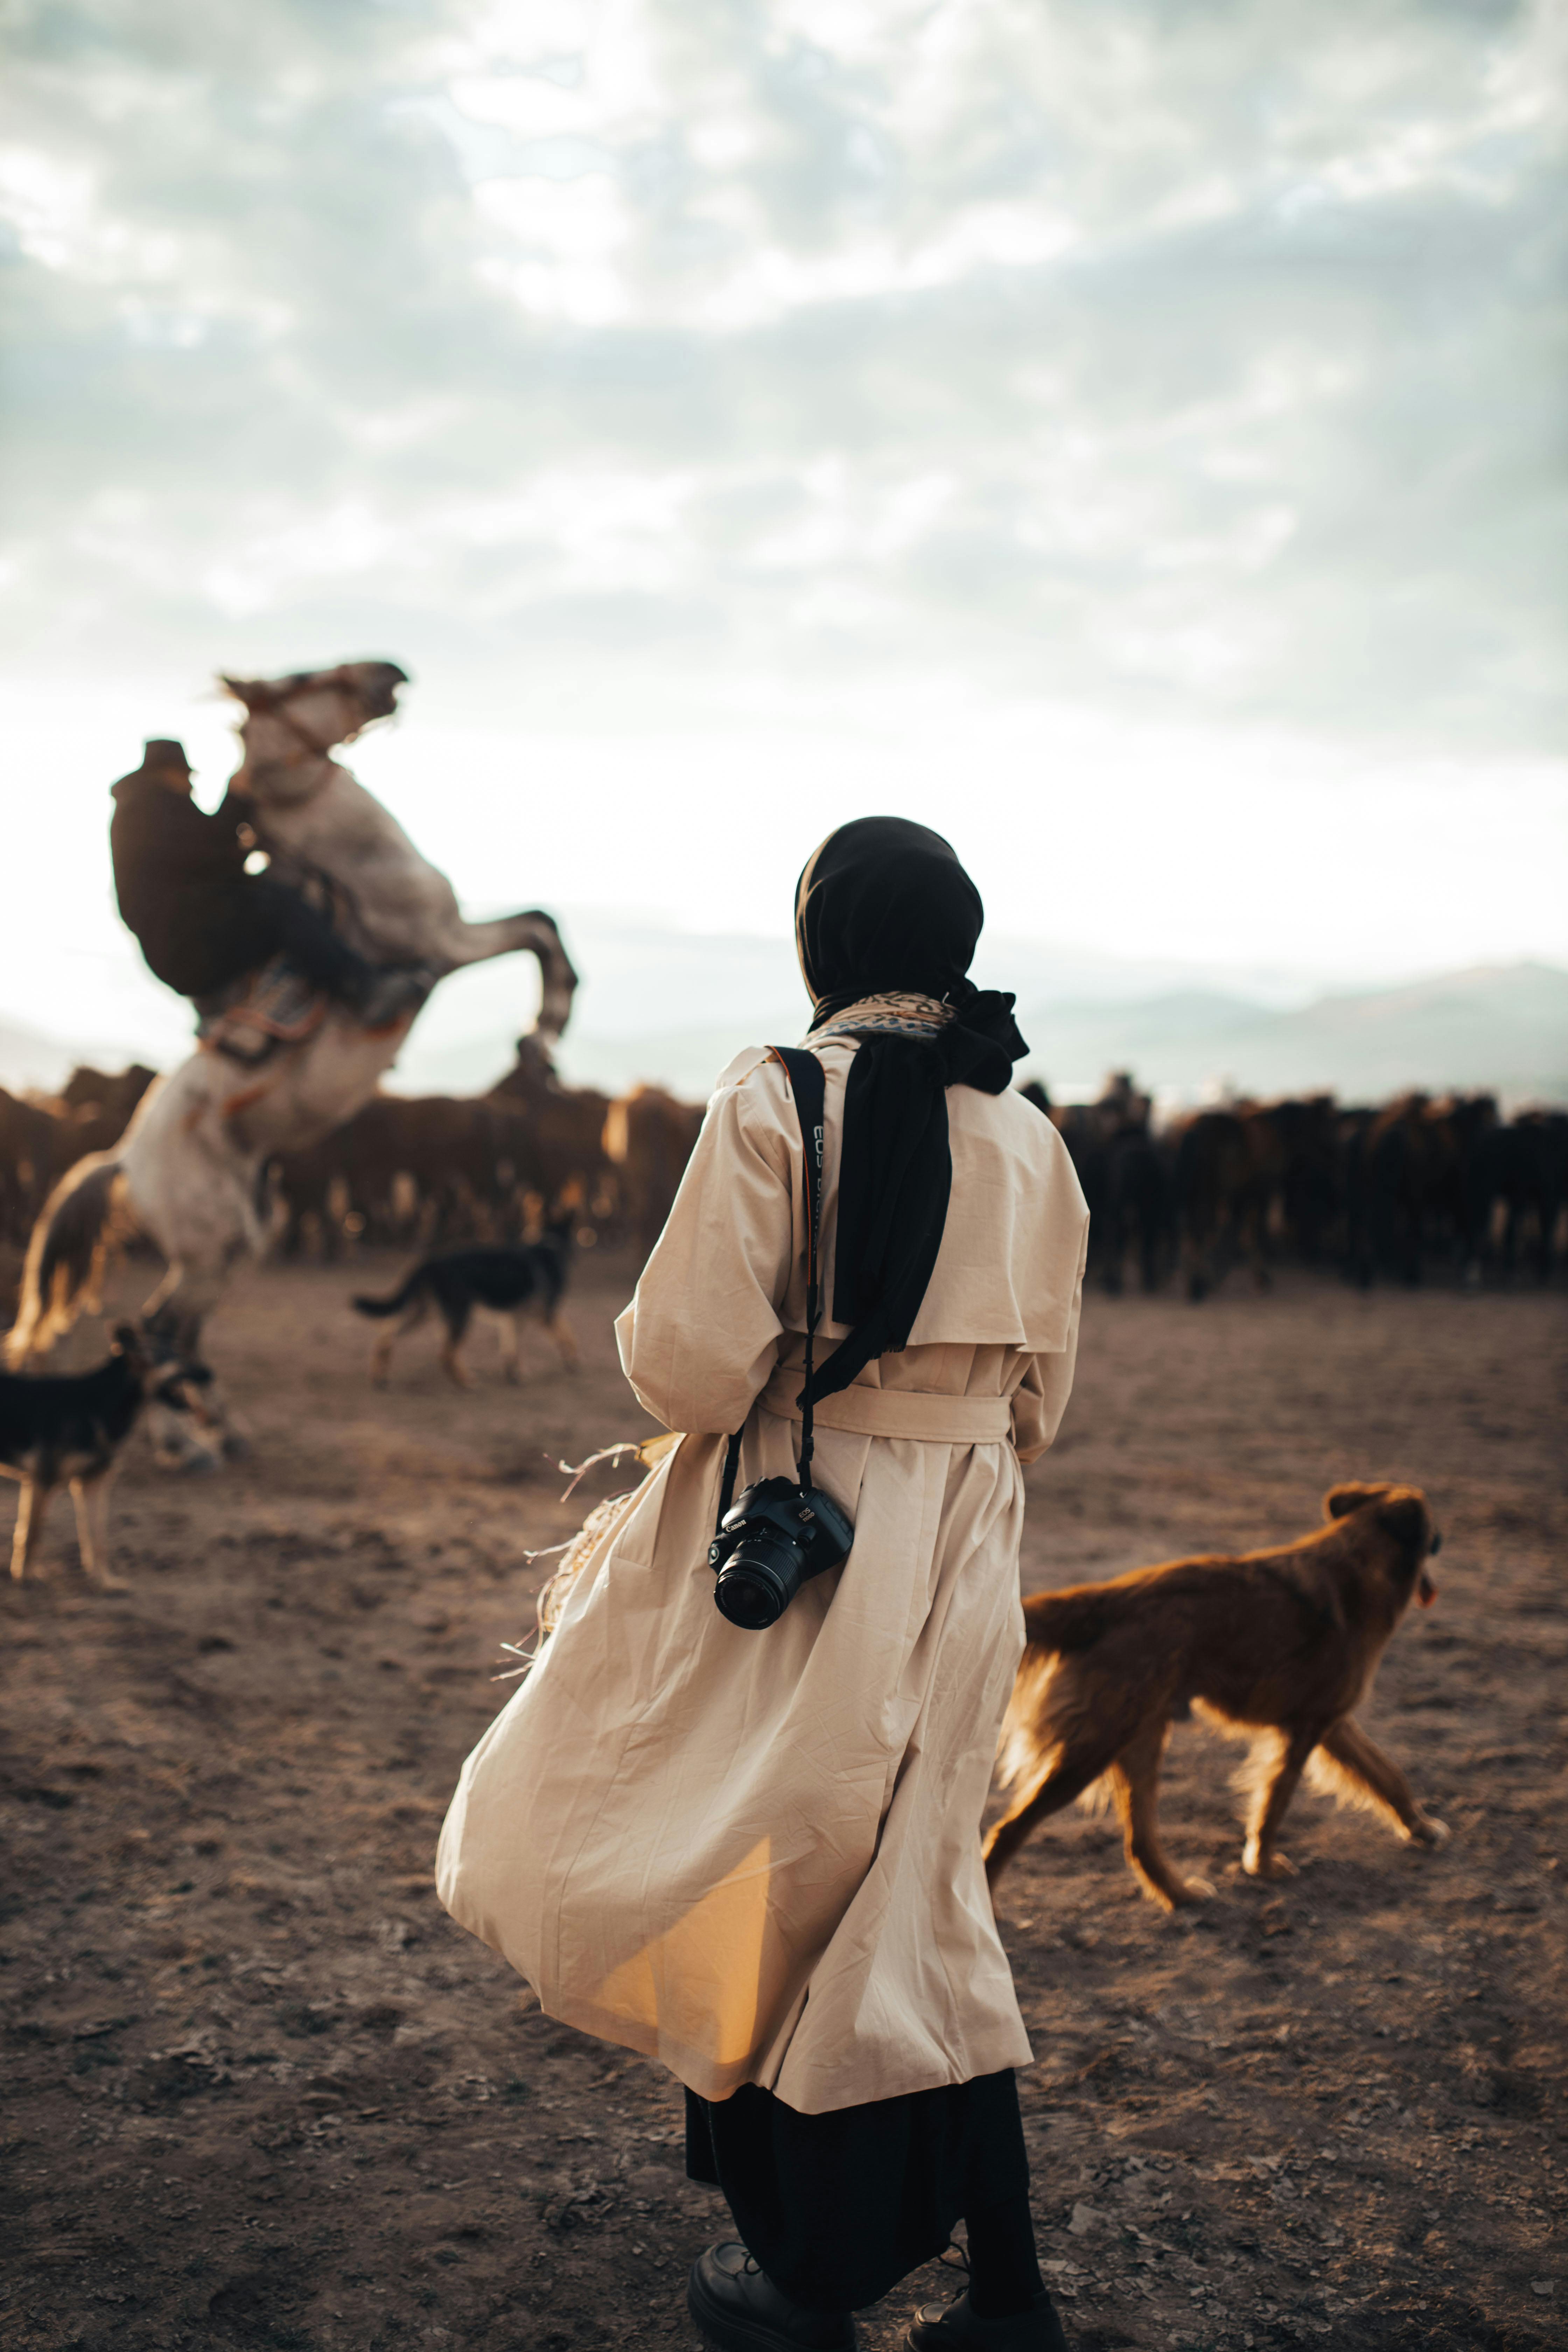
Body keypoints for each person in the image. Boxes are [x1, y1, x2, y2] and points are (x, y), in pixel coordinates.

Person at [436, 816, 1091, 2351]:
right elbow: (1040, 1403)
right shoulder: (1033, 1136)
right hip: (965, 1535)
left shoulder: (774, 1095)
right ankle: (1004, 2292)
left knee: (755, 1855)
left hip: (809, 1530)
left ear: (826, 940)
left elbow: (685, 1362)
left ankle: (804, 2270)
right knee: (922, 1877)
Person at [108, 738, 425, 1024]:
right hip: (188, 946)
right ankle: (363, 990)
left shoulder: (145, 812)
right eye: (187, 777)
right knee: (278, 903)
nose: (191, 786)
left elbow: (206, 858)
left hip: (181, 944)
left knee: (271, 893)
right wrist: (237, 797)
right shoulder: (148, 810)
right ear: (168, 774)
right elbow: (213, 847)